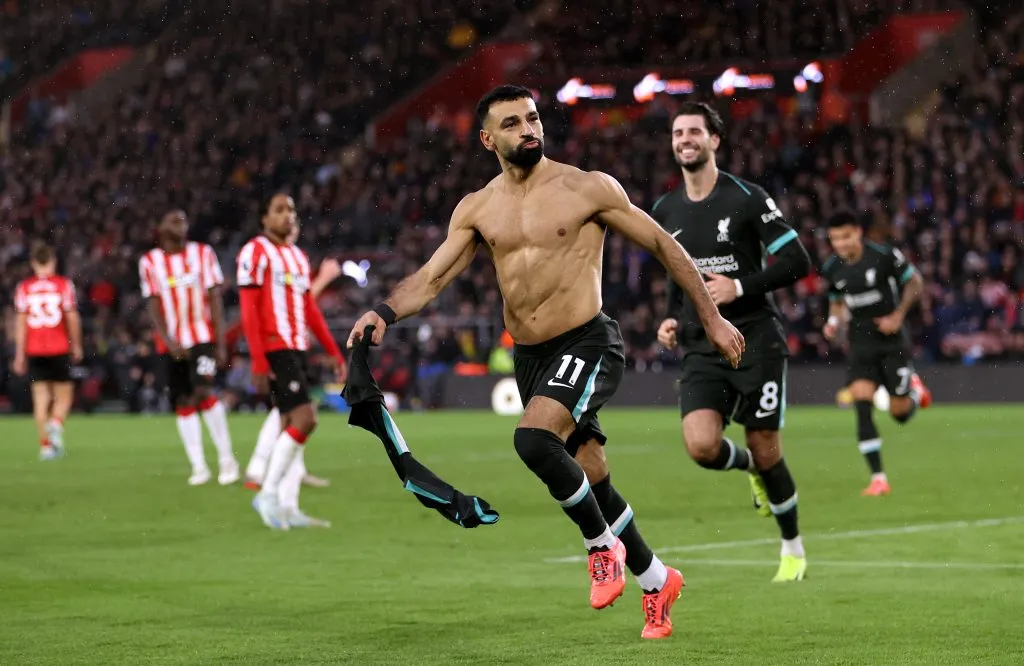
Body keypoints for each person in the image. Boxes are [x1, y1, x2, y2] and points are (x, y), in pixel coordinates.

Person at [346, 84, 745, 640]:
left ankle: (599, 546)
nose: (528, 129)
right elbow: (432, 278)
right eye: (511, 123)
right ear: (488, 139)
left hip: (588, 341)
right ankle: (657, 579)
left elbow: (661, 244)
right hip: (531, 357)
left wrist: (712, 318)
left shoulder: (586, 187)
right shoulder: (478, 208)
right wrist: (384, 311)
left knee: (533, 441)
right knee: (593, 478)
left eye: (532, 118)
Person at [653, 102, 812, 583]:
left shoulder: (746, 198)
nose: (686, 139)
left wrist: (740, 287)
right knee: (701, 446)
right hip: (702, 344)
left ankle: (792, 548)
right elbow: (675, 275)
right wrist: (670, 317)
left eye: (695, 131)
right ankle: (748, 469)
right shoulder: (665, 209)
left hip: (755, 339)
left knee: (767, 446)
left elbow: (798, 260)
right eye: (679, 132)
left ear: (714, 140)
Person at [239, 193, 346, 530]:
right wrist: (258, 360)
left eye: (291, 210)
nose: (287, 216)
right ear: (264, 218)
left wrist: (332, 349)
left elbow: (309, 309)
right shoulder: (255, 252)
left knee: (290, 424)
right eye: (279, 210)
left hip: (297, 347)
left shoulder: (297, 257)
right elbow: (249, 310)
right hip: (275, 348)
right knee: (305, 419)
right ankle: (267, 494)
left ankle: (287, 507)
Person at [821, 211, 932, 496]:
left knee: (899, 413)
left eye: (846, 236)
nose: (841, 244)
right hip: (860, 342)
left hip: (891, 340)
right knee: (861, 402)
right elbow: (836, 302)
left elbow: (915, 282)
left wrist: (898, 315)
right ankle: (878, 478)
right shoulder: (832, 268)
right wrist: (833, 323)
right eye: (835, 239)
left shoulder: (883, 256)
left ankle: (915, 394)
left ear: (858, 232)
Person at [139, 210, 239, 486]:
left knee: (204, 391)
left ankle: (227, 459)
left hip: (202, 338)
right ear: (160, 228)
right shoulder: (150, 262)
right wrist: (168, 341)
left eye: (184, 220)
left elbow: (215, 299)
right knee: (182, 401)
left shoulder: (203, 254)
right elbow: (153, 304)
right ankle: (199, 466)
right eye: (174, 221)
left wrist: (220, 343)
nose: (181, 225)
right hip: (171, 345)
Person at [12, 242, 82, 460]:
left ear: (33, 263)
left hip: (34, 349)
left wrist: (19, 354)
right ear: (53, 261)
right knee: (64, 395)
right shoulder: (63, 285)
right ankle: (56, 423)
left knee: (40, 399)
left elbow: (21, 323)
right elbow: (71, 316)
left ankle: (45, 446)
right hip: (59, 346)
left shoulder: (24, 288)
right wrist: (76, 344)